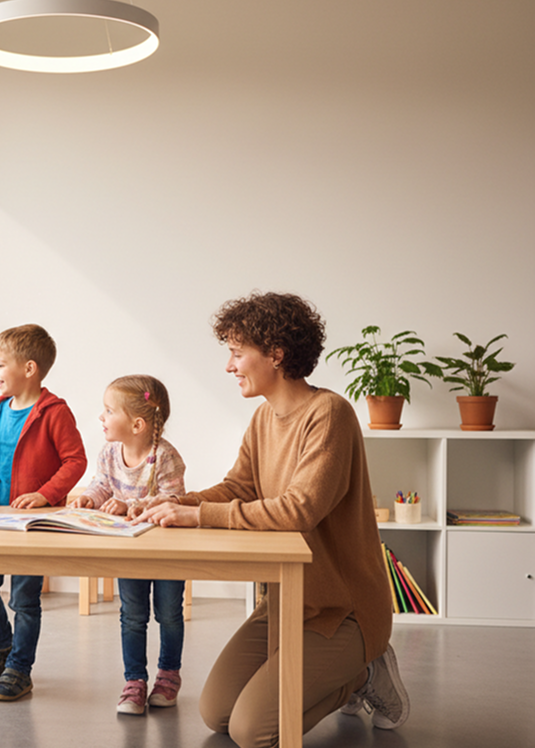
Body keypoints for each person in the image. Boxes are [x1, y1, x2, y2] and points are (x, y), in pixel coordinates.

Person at [133, 292, 407, 748]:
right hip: (287, 604)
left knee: (253, 731)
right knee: (215, 712)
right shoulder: (263, 418)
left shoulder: (329, 414)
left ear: (275, 354)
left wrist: (198, 515)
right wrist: (167, 503)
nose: (229, 366)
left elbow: (300, 509)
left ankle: (362, 672)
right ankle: (346, 677)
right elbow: (239, 488)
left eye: (237, 353)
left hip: (344, 613)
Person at [0, 324, 87, 701]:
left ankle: (19, 668)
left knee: (24, 599)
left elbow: (75, 460)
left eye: (0, 364)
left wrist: (46, 495)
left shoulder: (54, 412)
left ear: (29, 368)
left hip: (32, 523)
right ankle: (3, 646)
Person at [70, 375, 187, 716]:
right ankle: (134, 681)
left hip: (167, 550)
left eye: (108, 411)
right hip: (129, 549)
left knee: (169, 615)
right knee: (133, 617)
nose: (101, 417)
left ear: (136, 424)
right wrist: (89, 499)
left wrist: (135, 506)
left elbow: (173, 496)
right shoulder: (108, 453)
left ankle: (168, 676)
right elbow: (101, 485)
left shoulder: (164, 456)